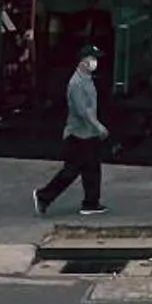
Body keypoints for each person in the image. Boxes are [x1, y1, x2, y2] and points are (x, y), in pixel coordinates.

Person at [33, 45, 109, 217]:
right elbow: (82, 111)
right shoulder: (76, 83)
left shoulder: (87, 79)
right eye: (92, 58)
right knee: (72, 171)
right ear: (83, 61)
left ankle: (91, 203)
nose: (95, 62)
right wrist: (98, 126)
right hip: (77, 135)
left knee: (92, 168)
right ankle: (44, 196)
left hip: (88, 134)